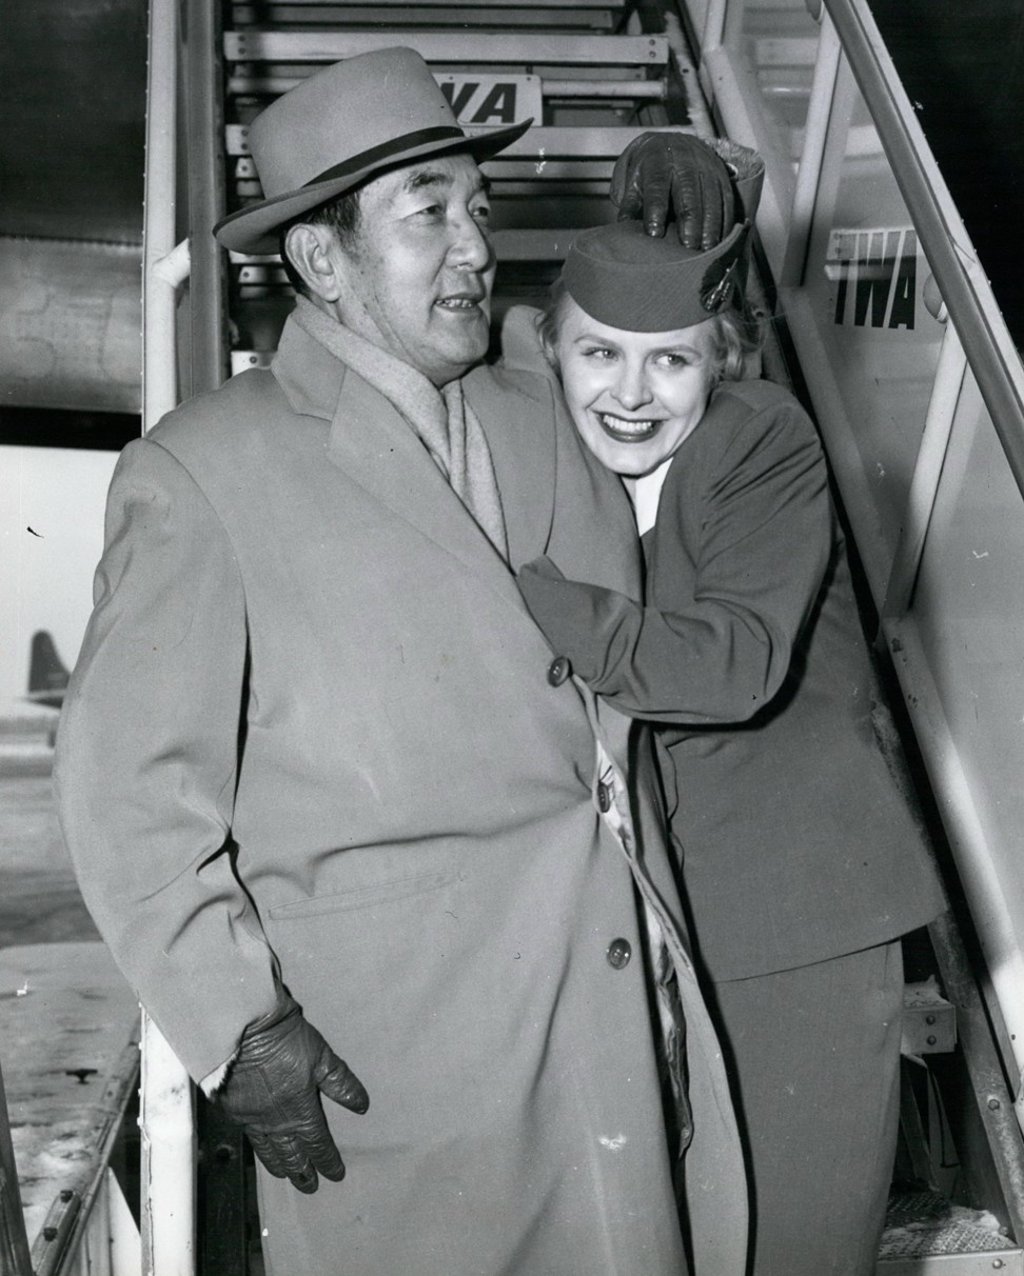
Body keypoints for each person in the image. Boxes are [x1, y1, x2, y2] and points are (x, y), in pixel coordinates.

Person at [54, 48, 750, 1275]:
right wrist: (240, 1026)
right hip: (407, 1073)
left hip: (614, 1026)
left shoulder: (552, 409)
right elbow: (128, 792)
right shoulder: (204, 471)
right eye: (428, 214)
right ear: (321, 259)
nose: (477, 246)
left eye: (476, 210)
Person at [515, 216, 947, 1273]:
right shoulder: (553, 464)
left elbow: (729, 665)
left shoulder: (759, 436)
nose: (630, 392)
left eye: (671, 360)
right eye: (598, 353)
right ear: (550, 356)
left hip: (793, 917)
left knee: (791, 1246)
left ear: (720, 364)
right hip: (651, 917)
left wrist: (525, 593)